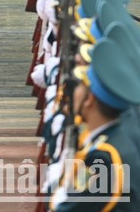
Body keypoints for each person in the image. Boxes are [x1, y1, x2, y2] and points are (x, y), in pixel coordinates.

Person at [52, 24, 140, 211]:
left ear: (89, 99)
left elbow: (67, 207)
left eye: (80, 85)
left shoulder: (106, 157)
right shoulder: (113, 137)